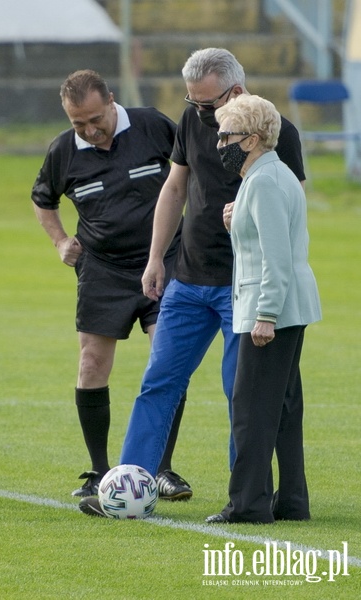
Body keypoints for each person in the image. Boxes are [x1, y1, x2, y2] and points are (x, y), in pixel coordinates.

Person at [78, 48, 307, 517]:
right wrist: (155, 258)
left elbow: (290, 208)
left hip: (240, 287)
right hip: (187, 276)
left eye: (206, 105)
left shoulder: (278, 133)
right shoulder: (191, 120)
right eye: (192, 103)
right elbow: (175, 188)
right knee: (157, 382)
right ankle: (128, 490)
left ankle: (245, 498)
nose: (198, 113)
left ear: (236, 92)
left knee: (240, 395)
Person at [31, 69, 191, 501]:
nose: (88, 130)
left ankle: (162, 469)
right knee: (91, 365)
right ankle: (100, 473)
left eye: (94, 119)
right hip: (102, 268)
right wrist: (61, 241)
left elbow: (189, 170)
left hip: (165, 261)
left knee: (168, 363)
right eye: (77, 123)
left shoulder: (153, 125)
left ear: (112, 101)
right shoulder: (65, 150)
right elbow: (43, 199)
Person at [204, 94, 322, 524]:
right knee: (285, 407)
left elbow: (276, 257)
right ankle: (291, 501)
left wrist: (266, 315)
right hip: (289, 308)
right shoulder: (267, 175)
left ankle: (248, 504)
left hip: (272, 311)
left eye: (227, 136)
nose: (220, 144)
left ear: (252, 139)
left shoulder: (266, 181)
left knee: (252, 408)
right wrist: (237, 222)